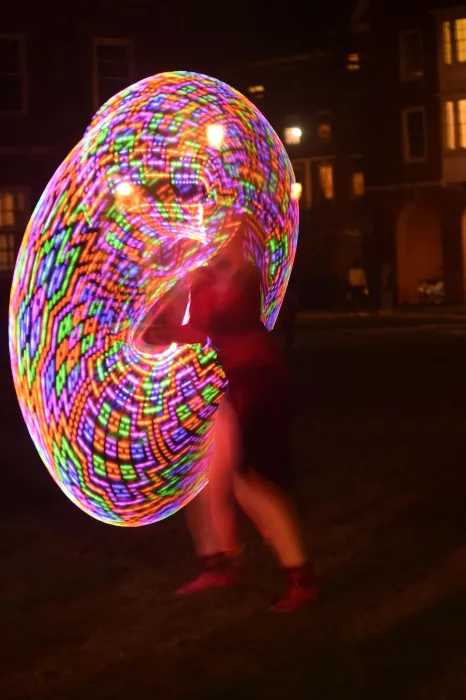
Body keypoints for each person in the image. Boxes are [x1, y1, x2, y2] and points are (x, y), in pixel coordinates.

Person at [138, 224, 318, 612]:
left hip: (258, 380)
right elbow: (195, 329)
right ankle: (219, 563)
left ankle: (300, 576)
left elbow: (215, 326)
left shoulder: (247, 274)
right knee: (205, 477)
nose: (222, 236)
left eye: (231, 230)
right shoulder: (205, 279)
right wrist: (160, 323)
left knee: (248, 480)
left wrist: (156, 332)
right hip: (230, 381)